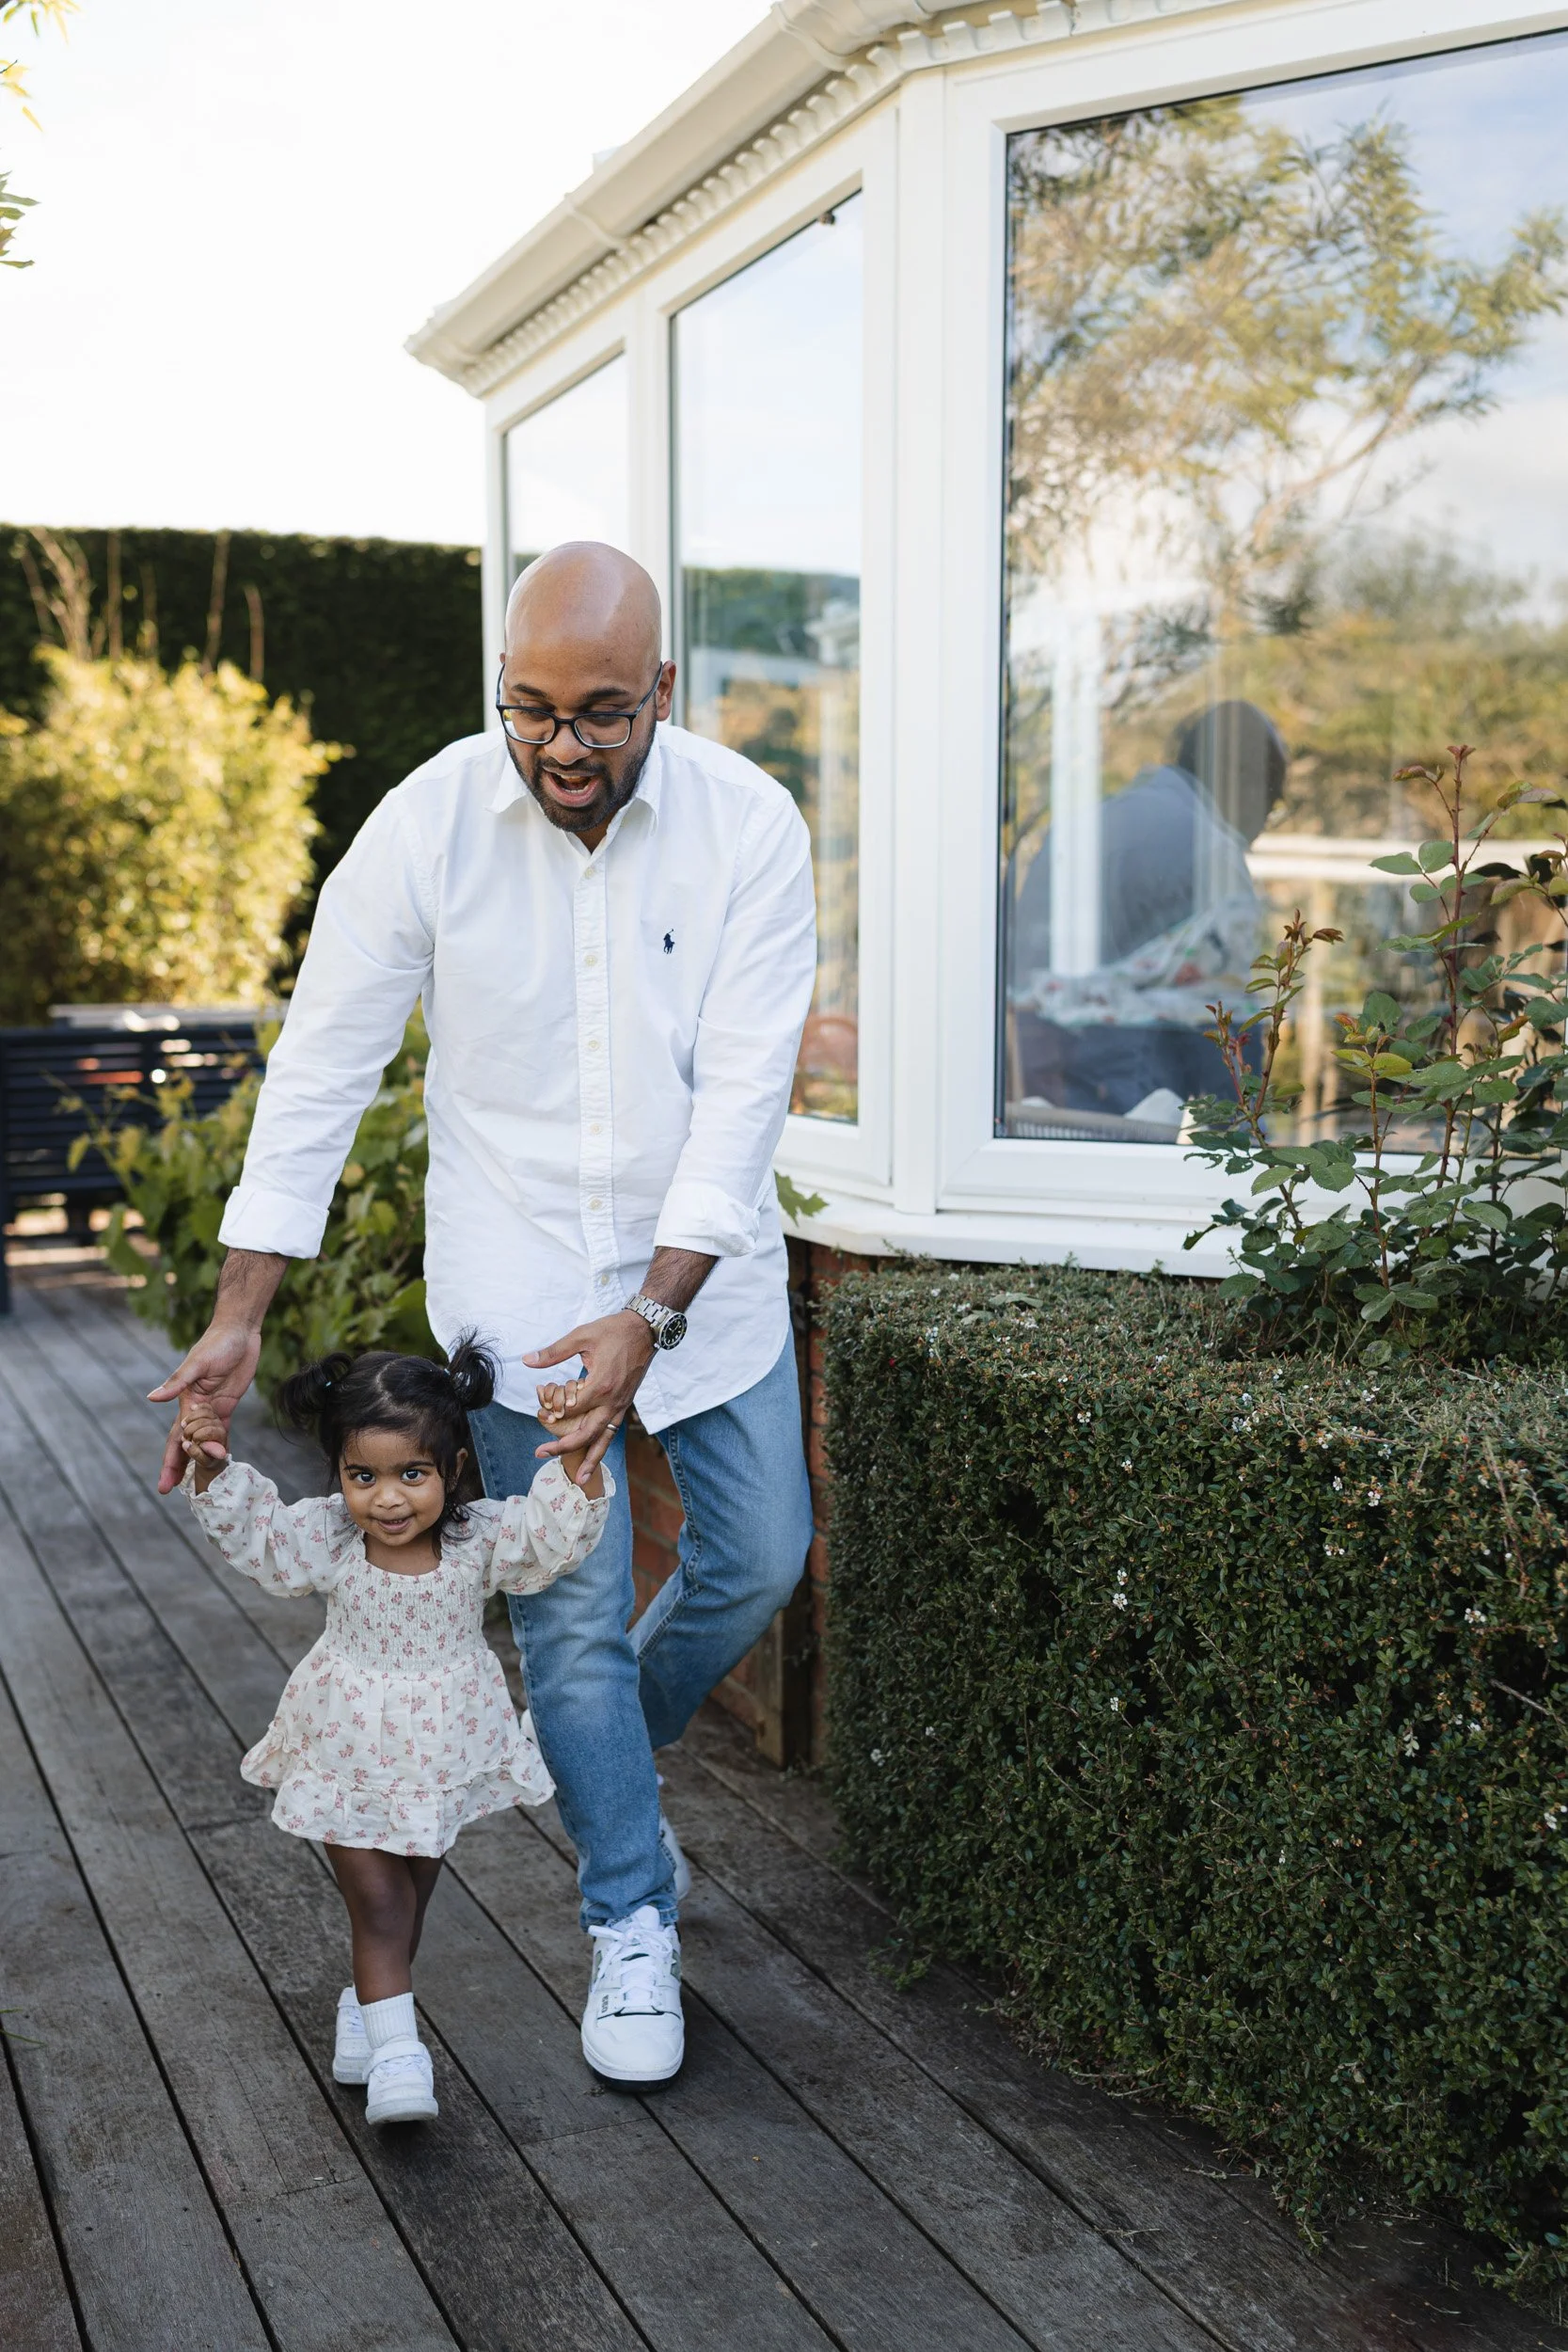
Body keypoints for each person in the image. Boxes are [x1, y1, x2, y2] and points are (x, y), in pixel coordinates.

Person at [149, 541, 818, 2086]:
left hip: (701, 1295)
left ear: (662, 691)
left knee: (761, 1556)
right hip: (517, 1291)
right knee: (569, 1624)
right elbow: (321, 1067)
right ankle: (631, 1918)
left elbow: (741, 1106)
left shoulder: (749, 827)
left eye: (599, 715)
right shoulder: (428, 824)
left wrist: (653, 1305)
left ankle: (597, 1782)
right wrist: (242, 1310)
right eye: (529, 711)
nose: (561, 749)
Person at [177, 1341, 608, 2125]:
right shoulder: (332, 1541)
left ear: (452, 1466)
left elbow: (551, 1535)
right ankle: (404, 2059)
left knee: (407, 1894)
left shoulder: (479, 1542)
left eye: (412, 1473)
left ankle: (366, 2013)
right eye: (361, 1476)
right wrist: (210, 1465)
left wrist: (576, 1456)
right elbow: (263, 1540)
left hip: (440, 1748)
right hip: (345, 1742)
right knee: (376, 1903)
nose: (387, 1499)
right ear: (338, 1473)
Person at [1007, 698, 1288, 1121]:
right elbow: (1227, 1031)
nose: (1265, 823)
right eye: (1274, 801)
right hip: (1137, 1104)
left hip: (1036, 1092)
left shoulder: (1081, 824)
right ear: (1244, 780)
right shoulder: (1212, 849)